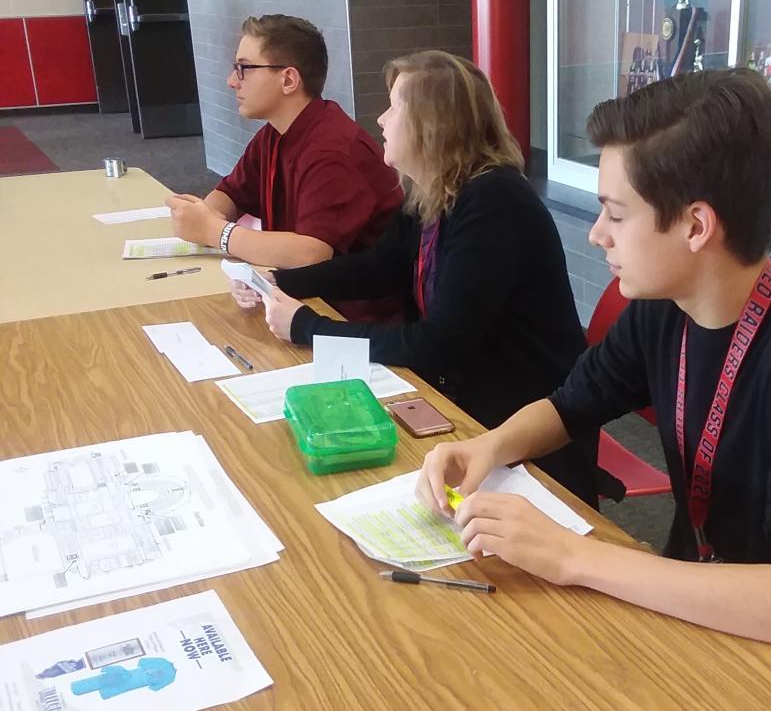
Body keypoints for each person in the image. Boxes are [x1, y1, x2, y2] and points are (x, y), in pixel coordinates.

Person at [416, 69, 771, 698]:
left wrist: (575, 556)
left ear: (696, 226)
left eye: (616, 213)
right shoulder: (666, 308)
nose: (597, 234)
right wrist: (487, 447)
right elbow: (570, 404)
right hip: (686, 610)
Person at [235, 50, 597, 504]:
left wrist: (308, 327)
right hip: (463, 399)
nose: (381, 120)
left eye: (394, 107)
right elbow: (378, 268)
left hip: (517, 426)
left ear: (433, 125)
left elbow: (438, 342)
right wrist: (281, 282)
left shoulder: (493, 202)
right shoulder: (436, 190)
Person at [165, 15, 402, 309]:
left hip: (350, 314)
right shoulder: (275, 133)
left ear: (288, 80)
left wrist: (216, 232)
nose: (231, 81)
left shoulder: (333, 149)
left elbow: (310, 254)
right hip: (298, 295)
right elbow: (231, 194)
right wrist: (203, 215)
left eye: (243, 69)